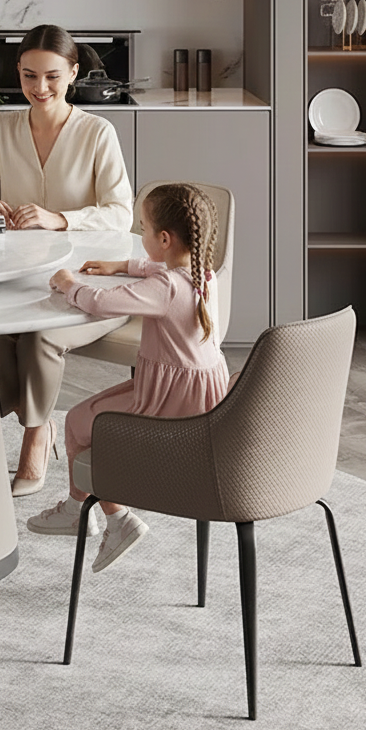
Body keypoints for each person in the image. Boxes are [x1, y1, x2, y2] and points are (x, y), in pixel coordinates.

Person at [0, 24, 133, 497]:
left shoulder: (97, 133)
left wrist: (59, 218)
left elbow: (120, 215)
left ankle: (36, 434)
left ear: (73, 73)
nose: (39, 88)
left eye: (51, 76)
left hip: (91, 282)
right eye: (28, 76)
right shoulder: (2, 128)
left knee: (42, 334)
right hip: (20, 278)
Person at [27, 182, 230, 573]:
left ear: (165, 238)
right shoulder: (202, 274)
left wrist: (68, 283)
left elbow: (101, 303)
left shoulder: (165, 289)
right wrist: (122, 265)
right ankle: (93, 511)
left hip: (169, 401)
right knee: (91, 419)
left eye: (143, 229)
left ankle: (101, 515)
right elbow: (155, 267)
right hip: (199, 394)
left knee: (79, 422)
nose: (140, 235)